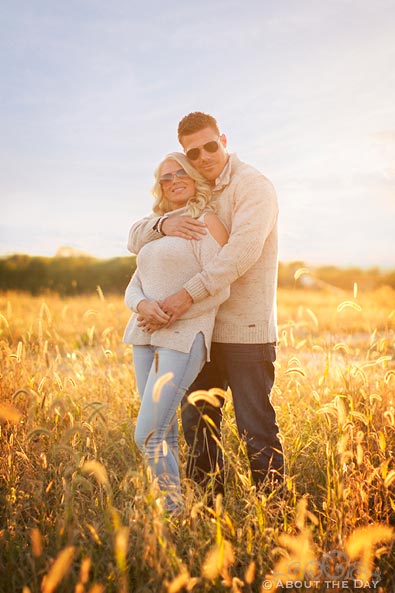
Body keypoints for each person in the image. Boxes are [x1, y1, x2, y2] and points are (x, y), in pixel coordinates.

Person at [128, 112, 284, 500]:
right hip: (200, 329)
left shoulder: (253, 186)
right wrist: (163, 226)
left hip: (244, 328)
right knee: (198, 423)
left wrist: (186, 295)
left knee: (255, 425)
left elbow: (240, 253)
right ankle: (207, 511)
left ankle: (275, 512)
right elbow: (138, 237)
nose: (203, 157)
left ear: (224, 140)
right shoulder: (197, 191)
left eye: (210, 146)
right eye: (192, 153)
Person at [123, 151, 229, 514]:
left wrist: (168, 312)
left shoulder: (207, 221)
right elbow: (134, 284)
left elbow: (220, 285)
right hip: (143, 334)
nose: (173, 180)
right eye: (165, 177)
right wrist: (141, 306)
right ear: (160, 186)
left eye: (180, 172)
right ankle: (172, 511)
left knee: (148, 435)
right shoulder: (157, 226)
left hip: (184, 336)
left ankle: (172, 514)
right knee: (162, 431)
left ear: (195, 177)